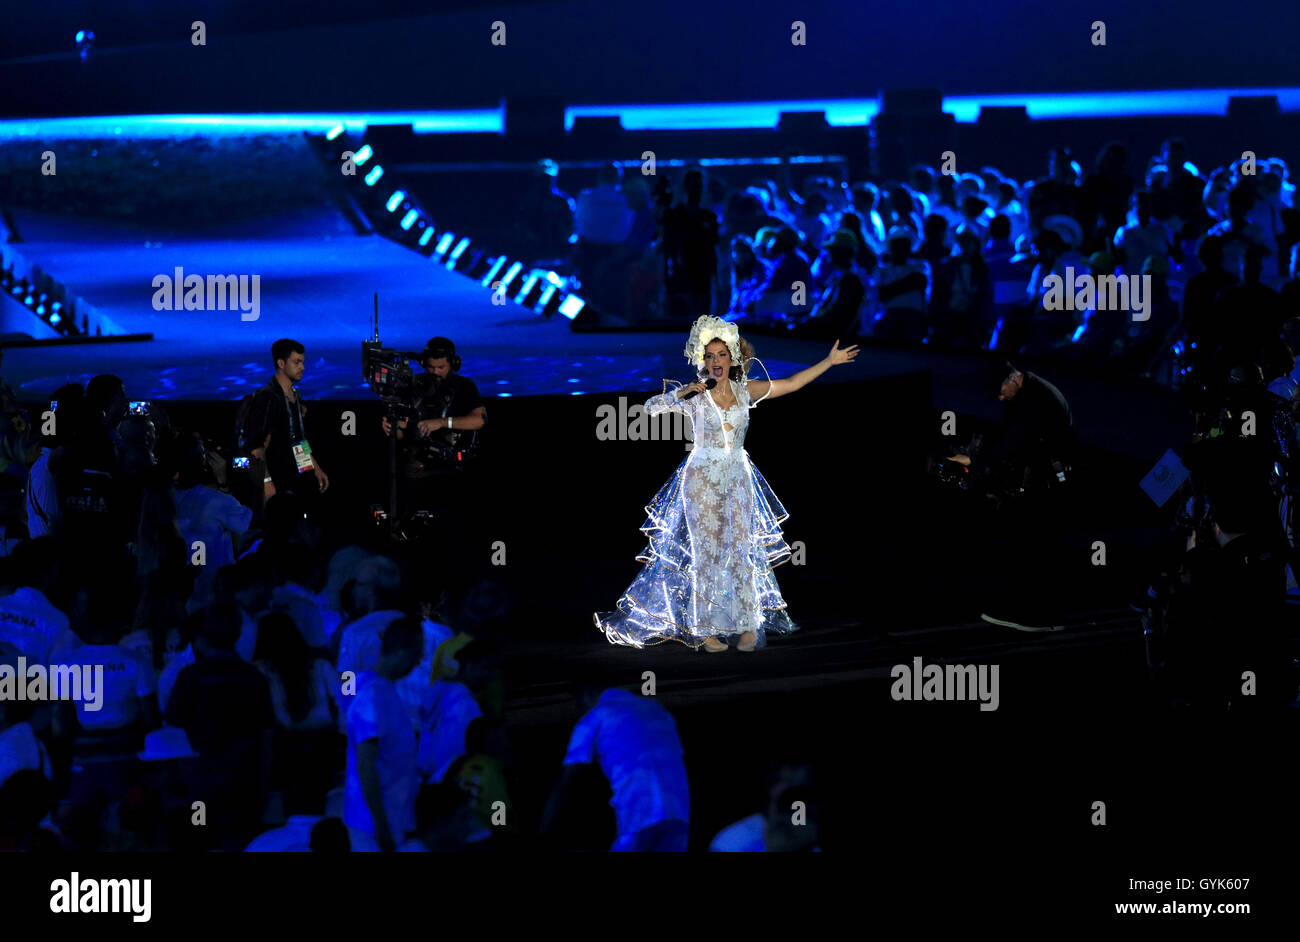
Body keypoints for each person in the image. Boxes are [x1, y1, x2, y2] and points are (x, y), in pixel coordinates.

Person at [595, 315, 859, 651]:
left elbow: (792, 383)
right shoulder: (695, 395)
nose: (716, 361)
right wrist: (680, 394)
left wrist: (829, 361)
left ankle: (748, 625)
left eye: (721, 355)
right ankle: (707, 631)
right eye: (709, 356)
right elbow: (649, 409)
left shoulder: (745, 390)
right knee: (707, 553)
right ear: (702, 361)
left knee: (741, 551)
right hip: (701, 477)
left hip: (737, 475)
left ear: (732, 358)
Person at [949, 359, 1077, 631]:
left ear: (1013, 379)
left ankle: (1036, 616)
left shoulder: (1036, 401)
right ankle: (1036, 612)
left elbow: (1014, 442)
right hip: (1044, 476)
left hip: (1048, 482)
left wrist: (975, 461)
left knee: (1035, 544)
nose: (999, 397)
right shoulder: (1027, 393)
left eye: (1000, 391)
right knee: (1034, 544)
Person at [379, 337, 486, 527]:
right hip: (418, 470)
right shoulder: (413, 387)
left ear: (452, 364)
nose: (435, 373)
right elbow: (402, 432)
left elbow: (479, 420)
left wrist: (442, 422)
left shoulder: (464, 387)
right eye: (431, 368)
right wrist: (393, 428)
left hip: (453, 470)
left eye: (441, 368)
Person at [343, 616, 423, 852]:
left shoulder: (380, 690)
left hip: (388, 820)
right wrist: (381, 825)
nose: (419, 662)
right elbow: (366, 764)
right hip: (373, 827)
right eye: (417, 653)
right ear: (401, 650)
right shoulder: (373, 696)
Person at [245, 338, 330, 509]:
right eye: (297, 362)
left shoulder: (295, 396)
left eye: (303, 362)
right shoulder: (267, 398)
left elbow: (298, 439)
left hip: (296, 479)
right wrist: (266, 482)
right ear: (281, 363)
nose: (302, 367)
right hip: (276, 479)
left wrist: (315, 467)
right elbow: (256, 446)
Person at [660, 167, 720, 320]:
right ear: (685, 187)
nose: (696, 190)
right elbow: (667, 247)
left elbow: (713, 249)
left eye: (699, 186)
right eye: (693, 185)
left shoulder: (709, 218)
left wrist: (715, 278)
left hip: (702, 280)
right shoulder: (674, 216)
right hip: (680, 280)